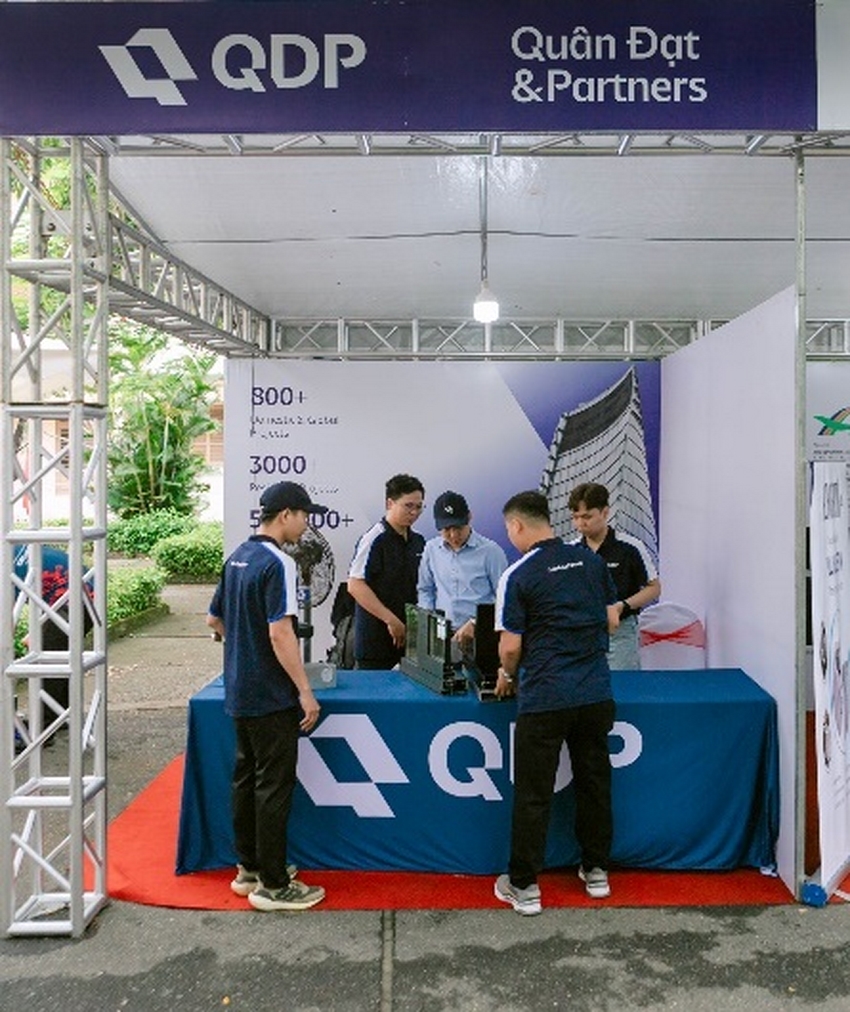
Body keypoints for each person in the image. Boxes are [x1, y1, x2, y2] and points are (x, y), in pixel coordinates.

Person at [493, 490, 619, 914]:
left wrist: (507, 675)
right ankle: (597, 871)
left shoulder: (518, 574)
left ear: (516, 526)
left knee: (533, 792)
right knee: (594, 784)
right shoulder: (591, 562)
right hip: (594, 692)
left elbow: (510, 647)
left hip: (545, 697)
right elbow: (612, 619)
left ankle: (525, 886)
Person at [206, 480, 327, 912]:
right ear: (286, 514)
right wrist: (305, 691)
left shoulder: (237, 556)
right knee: (273, 787)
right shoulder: (279, 563)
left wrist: (243, 647)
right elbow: (281, 633)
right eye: (304, 515)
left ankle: (250, 869)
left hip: (239, 688)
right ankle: (274, 885)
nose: (307, 525)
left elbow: (214, 620)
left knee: (246, 778)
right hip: (271, 695)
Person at [567, 482, 661, 670]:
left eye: (587, 517)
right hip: (580, 632)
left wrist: (622, 606)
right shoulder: (570, 551)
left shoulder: (630, 547)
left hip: (620, 631)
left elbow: (654, 588)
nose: (580, 523)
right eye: (575, 517)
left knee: (621, 686)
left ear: (605, 512)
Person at [347, 473, 425, 670]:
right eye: (408, 506)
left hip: (410, 644)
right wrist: (391, 620)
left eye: (419, 507)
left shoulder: (419, 541)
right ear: (390, 503)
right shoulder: (375, 538)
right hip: (375, 643)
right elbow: (355, 585)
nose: (414, 512)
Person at [417, 490, 508, 653]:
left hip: (481, 634)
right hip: (442, 634)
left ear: (469, 517)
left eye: (458, 528)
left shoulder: (491, 552)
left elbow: (505, 598)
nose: (453, 535)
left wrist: (476, 623)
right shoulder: (431, 549)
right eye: (446, 529)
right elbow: (425, 589)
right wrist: (429, 620)